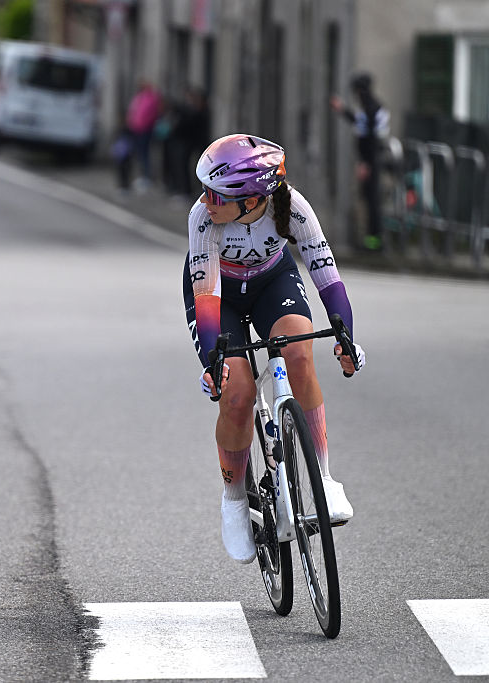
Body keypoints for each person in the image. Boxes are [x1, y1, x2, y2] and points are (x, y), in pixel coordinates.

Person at [183, 133, 367, 563]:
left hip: (271, 281)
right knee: (238, 393)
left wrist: (345, 337)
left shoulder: (294, 209)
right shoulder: (203, 218)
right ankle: (233, 500)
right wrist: (215, 361)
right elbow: (207, 297)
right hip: (219, 293)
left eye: (218, 193)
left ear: (252, 199)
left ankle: (322, 478)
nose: (206, 199)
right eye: (206, 190)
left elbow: (328, 277)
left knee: (300, 355)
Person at [331, 72, 390, 251]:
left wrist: (366, 163)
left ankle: (375, 241)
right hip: (371, 158)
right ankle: (372, 239)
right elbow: (359, 123)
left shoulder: (371, 107)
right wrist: (342, 109)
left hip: (372, 159)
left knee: (372, 199)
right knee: (369, 198)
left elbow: (370, 138)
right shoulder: (371, 106)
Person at [125, 80, 163, 191]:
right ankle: (142, 176)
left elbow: (150, 115)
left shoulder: (151, 98)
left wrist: (143, 125)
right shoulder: (140, 97)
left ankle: (147, 177)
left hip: (145, 130)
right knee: (139, 154)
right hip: (137, 129)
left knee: (144, 154)